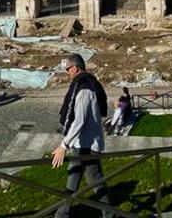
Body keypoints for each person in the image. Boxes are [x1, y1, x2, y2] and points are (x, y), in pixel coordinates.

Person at [51, 53, 112, 218]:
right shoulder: (85, 84)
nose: (67, 73)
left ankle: (109, 214)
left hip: (88, 145)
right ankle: (62, 214)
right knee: (74, 178)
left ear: (75, 68)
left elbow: (79, 121)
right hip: (83, 144)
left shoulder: (84, 89)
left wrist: (63, 146)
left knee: (95, 182)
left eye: (68, 69)